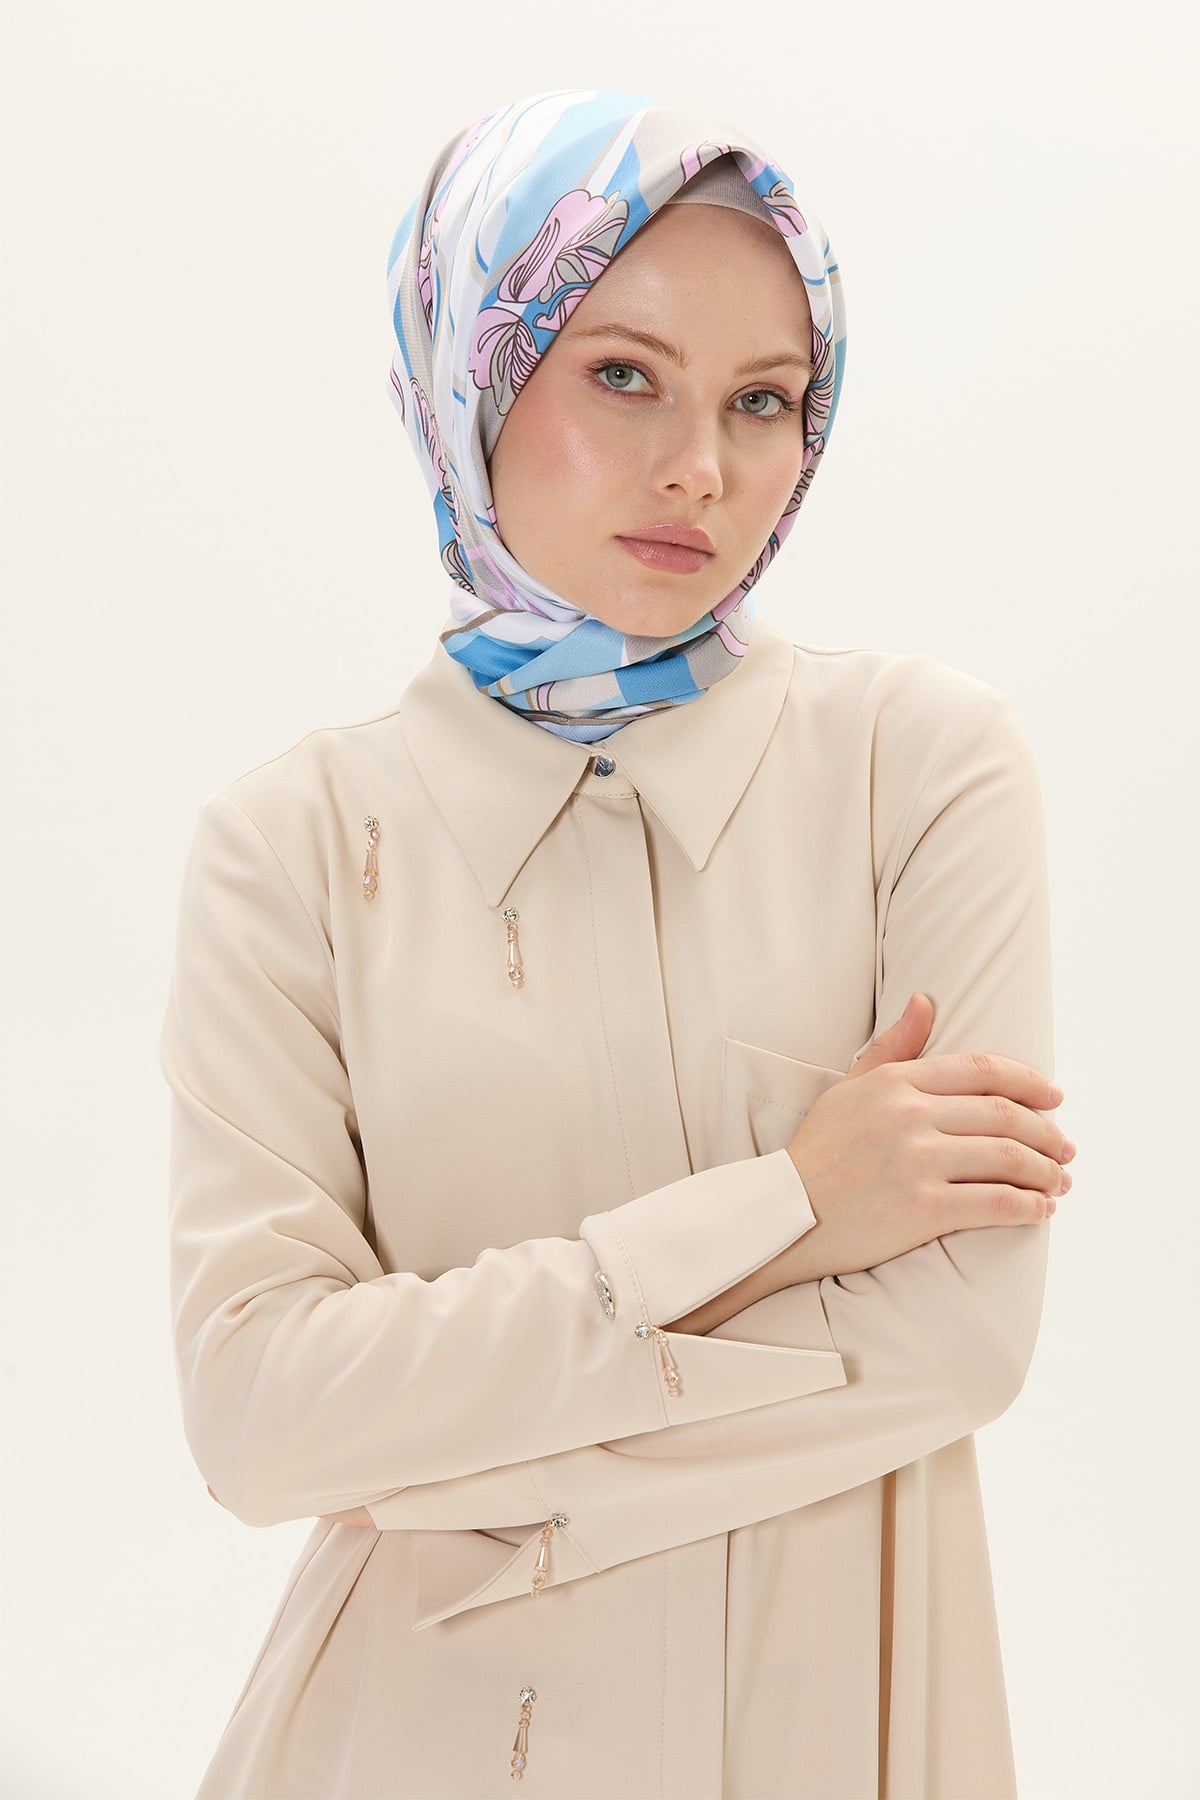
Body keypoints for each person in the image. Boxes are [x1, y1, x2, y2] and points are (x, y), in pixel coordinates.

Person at [160, 86, 1074, 1800]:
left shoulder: (921, 769)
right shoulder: (292, 848)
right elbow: (260, 1419)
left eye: (763, 400)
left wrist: (434, 1450)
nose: (700, 469)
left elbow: (961, 1344)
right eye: (623, 374)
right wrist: (793, 1205)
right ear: (476, 375)